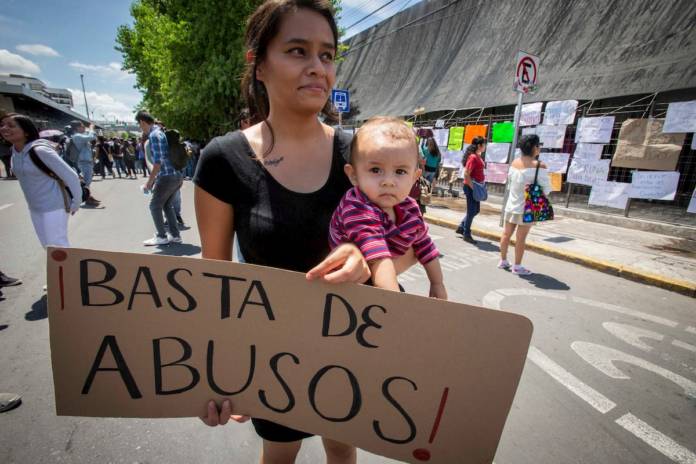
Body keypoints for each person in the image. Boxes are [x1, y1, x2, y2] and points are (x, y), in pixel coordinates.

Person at [194, 2, 417, 462]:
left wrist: (370, 262)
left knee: (342, 449)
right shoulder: (222, 160)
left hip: (352, 347)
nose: (317, 68)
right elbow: (213, 278)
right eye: (297, 51)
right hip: (272, 357)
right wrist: (215, 371)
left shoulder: (359, 153)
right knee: (280, 453)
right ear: (258, 64)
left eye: (328, 55)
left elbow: (410, 241)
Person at [329, 117, 447, 299]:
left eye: (400, 171)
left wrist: (437, 283)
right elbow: (377, 257)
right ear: (353, 175)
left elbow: (424, 244)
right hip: (346, 290)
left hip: (383, 281)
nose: (388, 182)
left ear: (415, 177)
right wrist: (394, 304)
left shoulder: (410, 208)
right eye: (376, 170)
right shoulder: (356, 206)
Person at [0, 113, 82, 248]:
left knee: (58, 248)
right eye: (2, 125)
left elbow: (71, 176)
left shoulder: (40, 150)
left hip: (54, 206)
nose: (4, 128)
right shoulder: (15, 152)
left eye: (11, 125)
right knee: (47, 247)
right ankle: (60, 269)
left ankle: (67, 269)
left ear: (26, 131)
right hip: (35, 208)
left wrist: (76, 202)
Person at [499, 134, 551, 275]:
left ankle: (503, 261)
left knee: (506, 234)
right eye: (538, 145)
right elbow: (546, 189)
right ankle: (517, 266)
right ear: (534, 148)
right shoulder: (540, 166)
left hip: (511, 205)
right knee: (521, 239)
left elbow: (509, 184)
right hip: (527, 208)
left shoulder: (514, 163)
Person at [137, 111, 183, 245]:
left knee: (154, 206)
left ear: (142, 122)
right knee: (167, 205)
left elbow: (158, 162)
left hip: (166, 177)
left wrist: (149, 182)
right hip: (176, 176)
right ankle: (175, 235)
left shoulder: (154, 135)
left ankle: (161, 236)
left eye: (140, 126)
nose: (141, 129)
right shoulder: (161, 132)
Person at [455, 136, 486, 244]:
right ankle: (466, 234)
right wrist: (473, 187)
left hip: (475, 186)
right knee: (472, 210)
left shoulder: (477, 156)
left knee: (475, 210)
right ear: (479, 145)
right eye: (484, 144)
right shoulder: (473, 157)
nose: (485, 146)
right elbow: (466, 174)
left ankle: (461, 227)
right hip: (471, 187)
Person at [69, 121, 101, 206]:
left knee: (87, 181)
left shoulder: (80, 136)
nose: (84, 128)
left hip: (86, 162)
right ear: (77, 128)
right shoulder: (77, 136)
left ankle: (88, 197)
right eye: (82, 126)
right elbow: (92, 137)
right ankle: (86, 198)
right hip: (83, 163)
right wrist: (91, 128)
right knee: (86, 182)